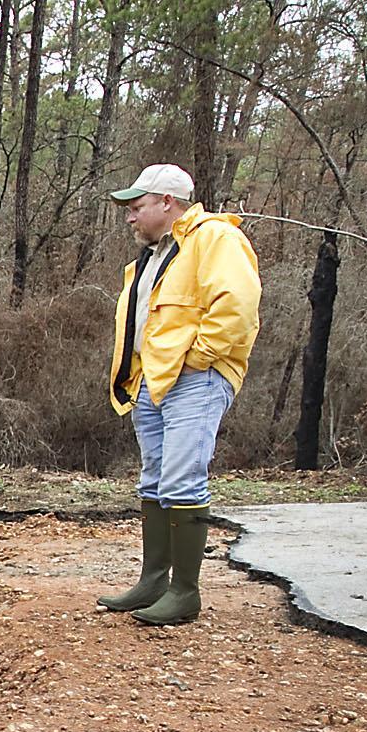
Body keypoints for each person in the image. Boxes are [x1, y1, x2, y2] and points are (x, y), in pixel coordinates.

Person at [98, 163, 261, 626]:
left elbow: (238, 305)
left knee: (181, 479)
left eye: (137, 207)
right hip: (153, 379)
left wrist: (198, 357)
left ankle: (184, 592)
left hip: (196, 377)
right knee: (154, 480)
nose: (130, 217)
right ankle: (154, 580)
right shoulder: (153, 256)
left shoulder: (214, 238)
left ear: (166, 202)